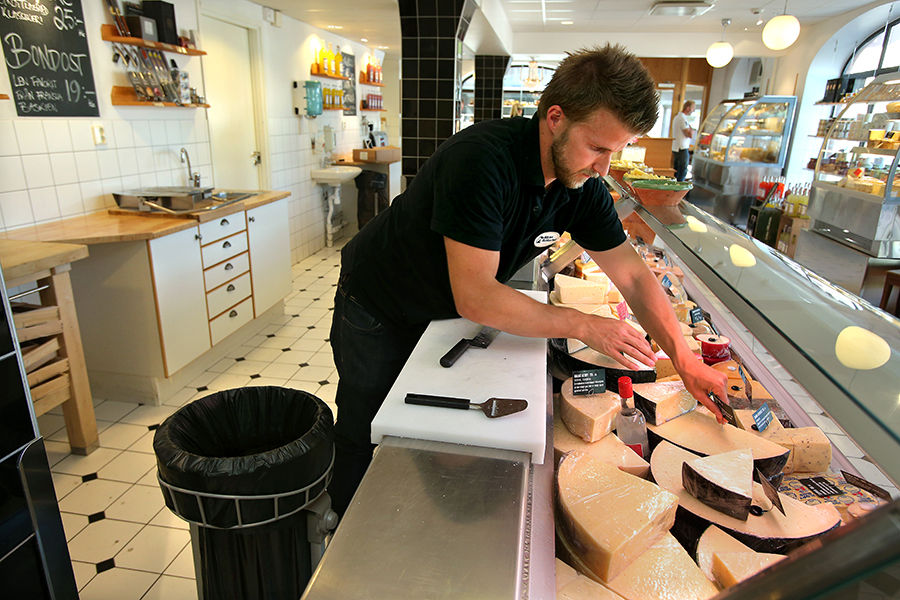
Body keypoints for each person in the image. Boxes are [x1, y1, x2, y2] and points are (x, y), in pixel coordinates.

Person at [328, 45, 729, 516]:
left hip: (440, 309)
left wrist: (684, 357)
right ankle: (344, 519)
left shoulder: (581, 186)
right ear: (555, 117)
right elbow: (477, 295)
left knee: (418, 423)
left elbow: (635, 278)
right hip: (379, 304)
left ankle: (402, 510)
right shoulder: (481, 161)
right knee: (366, 421)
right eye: (598, 147)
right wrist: (582, 324)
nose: (604, 168)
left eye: (617, 151)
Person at [672, 100, 695, 181]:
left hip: (676, 148)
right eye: (693, 108)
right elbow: (689, 134)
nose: (693, 110)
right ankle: (678, 191)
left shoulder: (677, 117)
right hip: (681, 148)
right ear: (688, 108)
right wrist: (692, 130)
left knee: (677, 171)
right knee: (681, 172)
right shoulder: (682, 118)